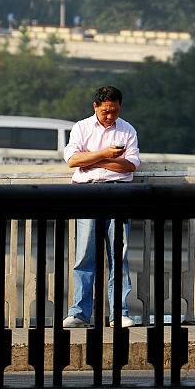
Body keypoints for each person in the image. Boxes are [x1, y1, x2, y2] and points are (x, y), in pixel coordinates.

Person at [62, 85, 140, 328]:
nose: (110, 116)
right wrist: (108, 154)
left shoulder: (127, 130)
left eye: (115, 111)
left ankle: (119, 312)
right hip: (87, 192)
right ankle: (79, 313)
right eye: (106, 111)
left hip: (119, 192)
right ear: (95, 106)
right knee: (85, 255)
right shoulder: (81, 127)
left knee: (118, 256)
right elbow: (73, 160)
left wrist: (93, 158)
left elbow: (130, 166)